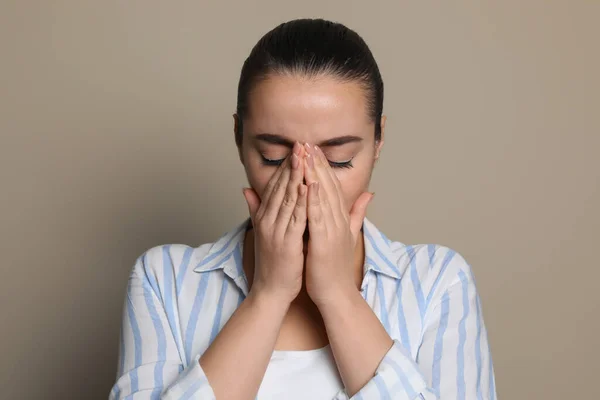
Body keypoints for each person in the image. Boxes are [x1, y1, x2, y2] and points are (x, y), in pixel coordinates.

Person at [110, 18, 497, 400]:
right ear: (238, 138)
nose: (307, 181)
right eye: (274, 157)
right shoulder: (165, 281)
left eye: (340, 159)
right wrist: (268, 294)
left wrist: (339, 295)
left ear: (378, 142)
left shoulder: (438, 283)